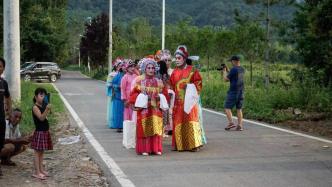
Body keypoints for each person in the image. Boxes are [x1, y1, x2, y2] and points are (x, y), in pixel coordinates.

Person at [129, 58, 168, 156]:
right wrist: (139, 99)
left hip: (155, 109)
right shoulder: (140, 82)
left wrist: (160, 96)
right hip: (144, 110)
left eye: (153, 68)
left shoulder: (159, 82)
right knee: (144, 128)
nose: (151, 70)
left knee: (156, 127)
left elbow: (165, 94)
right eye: (149, 68)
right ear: (144, 69)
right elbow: (133, 94)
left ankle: (156, 148)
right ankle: (144, 149)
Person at [169, 45, 205, 152]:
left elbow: (198, 84)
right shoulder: (174, 72)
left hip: (189, 103)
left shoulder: (192, 71)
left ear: (184, 59)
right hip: (178, 103)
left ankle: (193, 145)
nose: (177, 60)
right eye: (175, 58)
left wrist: (189, 87)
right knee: (178, 121)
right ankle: (179, 144)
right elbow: (171, 86)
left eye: (179, 58)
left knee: (190, 120)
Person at [31, 88, 52, 180]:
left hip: (44, 131)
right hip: (39, 132)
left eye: (44, 95)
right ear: (36, 97)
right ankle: (37, 172)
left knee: (42, 152)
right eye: (41, 95)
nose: (43, 97)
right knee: (37, 152)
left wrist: (48, 108)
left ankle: (41, 170)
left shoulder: (44, 105)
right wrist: (47, 109)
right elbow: (41, 118)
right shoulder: (35, 107)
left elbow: (48, 115)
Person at [223, 55, 245, 131]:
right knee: (239, 109)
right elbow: (234, 75)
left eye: (231, 61)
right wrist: (228, 70)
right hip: (241, 91)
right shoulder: (242, 69)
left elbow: (226, 79)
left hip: (233, 91)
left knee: (227, 107)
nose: (231, 63)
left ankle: (231, 123)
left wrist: (224, 72)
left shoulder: (233, 69)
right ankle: (240, 125)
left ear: (234, 61)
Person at [0, 57, 12, 176]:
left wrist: (9, 111)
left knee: (1, 143)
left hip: (1, 118)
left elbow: (8, 97)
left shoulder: (4, 83)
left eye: (0, 66)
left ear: (3, 69)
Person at [107, 58, 125, 132]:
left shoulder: (127, 75)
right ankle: (118, 126)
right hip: (118, 96)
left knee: (124, 112)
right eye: (120, 66)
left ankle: (125, 126)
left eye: (123, 66)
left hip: (126, 97)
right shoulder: (115, 76)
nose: (121, 67)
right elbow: (111, 84)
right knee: (118, 112)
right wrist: (118, 87)